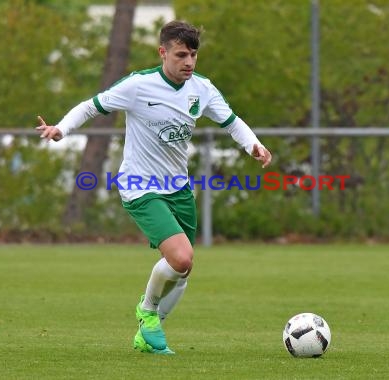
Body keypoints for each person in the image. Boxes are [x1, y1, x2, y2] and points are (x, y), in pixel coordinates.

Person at [36, 20, 272, 355]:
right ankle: (147, 312)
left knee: (183, 269)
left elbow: (231, 122)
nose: (188, 62)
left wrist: (254, 145)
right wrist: (62, 128)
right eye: (180, 55)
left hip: (178, 189)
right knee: (181, 257)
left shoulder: (201, 89)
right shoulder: (138, 85)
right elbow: (92, 105)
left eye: (193, 55)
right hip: (139, 186)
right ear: (163, 53)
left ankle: (146, 334)